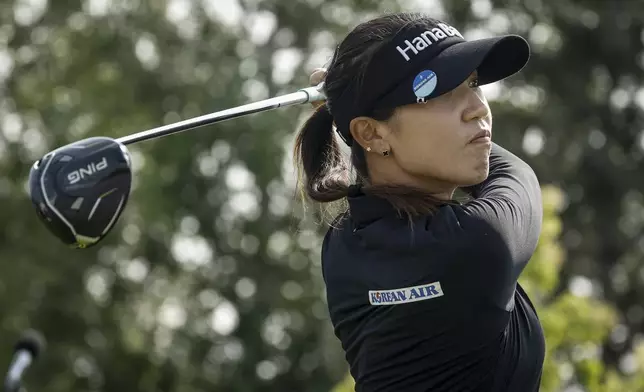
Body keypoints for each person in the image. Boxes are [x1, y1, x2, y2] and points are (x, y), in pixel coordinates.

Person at [293, 11, 545, 392]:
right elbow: (517, 175)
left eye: (473, 82)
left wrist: (348, 111)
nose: (478, 107)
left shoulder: (345, 243)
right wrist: (345, 110)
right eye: (439, 91)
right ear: (372, 134)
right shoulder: (477, 244)